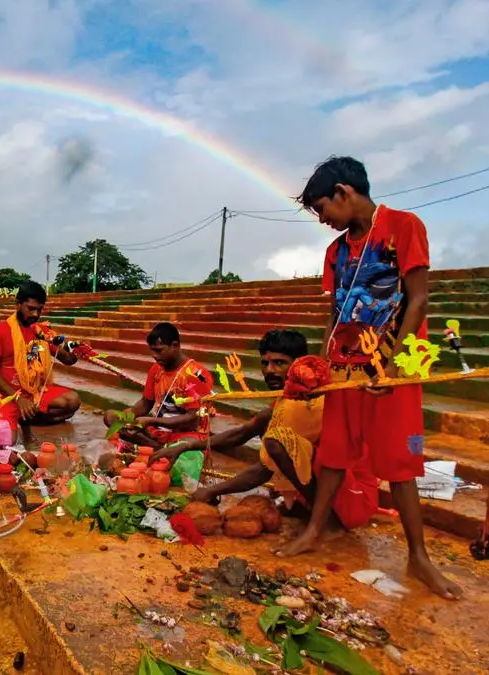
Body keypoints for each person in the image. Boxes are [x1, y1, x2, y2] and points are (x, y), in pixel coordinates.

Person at [274, 156, 461, 600]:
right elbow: (333, 314)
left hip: (393, 370)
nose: (323, 220)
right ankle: (316, 531)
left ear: (343, 192)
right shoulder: (336, 252)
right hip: (344, 370)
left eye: (323, 208)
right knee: (335, 454)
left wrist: (394, 368)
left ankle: (418, 558)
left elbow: (417, 301)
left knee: (400, 463)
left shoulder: (403, 226)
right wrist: (318, 366)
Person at [158, 329, 378, 531]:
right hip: (329, 491)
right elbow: (240, 434)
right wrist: (186, 446)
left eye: (279, 363)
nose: (269, 371)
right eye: (265, 363)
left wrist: (213, 490)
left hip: (352, 498)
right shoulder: (283, 401)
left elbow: (265, 469)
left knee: (277, 441)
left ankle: (328, 525)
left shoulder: (308, 401)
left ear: (299, 365)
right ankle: (310, 508)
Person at [0, 280, 81, 442]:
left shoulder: (41, 331)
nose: (35, 314)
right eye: (31, 309)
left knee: (72, 401)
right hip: (4, 396)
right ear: (18, 305)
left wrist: (76, 350)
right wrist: (18, 399)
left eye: (39, 310)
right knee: (6, 441)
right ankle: (13, 416)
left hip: (32, 393)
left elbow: (67, 359)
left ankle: (26, 417)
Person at [103, 322, 213, 450]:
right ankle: (159, 448)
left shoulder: (195, 374)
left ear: (175, 345)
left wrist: (151, 421)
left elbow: (194, 419)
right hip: (157, 429)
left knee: (189, 445)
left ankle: (162, 449)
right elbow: (146, 403)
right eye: (152, 350)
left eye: (159, 350)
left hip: (186, 433)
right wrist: (127, 417)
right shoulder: (156, 369)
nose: (154, 356)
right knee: (111, 416)